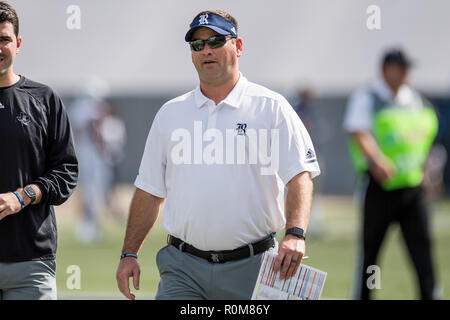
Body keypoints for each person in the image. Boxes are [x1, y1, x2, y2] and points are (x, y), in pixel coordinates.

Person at [116, 10, 320, 300]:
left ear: (237, 46)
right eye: (197, 45)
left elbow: (300, 175)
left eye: (215, 41)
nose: (206, 50)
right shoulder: (170, 114)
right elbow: (149, 191)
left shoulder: (271, 107)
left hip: (255, 267)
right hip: (183, 268)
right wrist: (129, 253)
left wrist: (295, 234)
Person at [344, 48, 439, 300]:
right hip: (379, 188)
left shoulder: (415, 100)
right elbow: (358, 131)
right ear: (387, 69)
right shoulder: (368, 98)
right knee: (371, 253)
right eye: (402, 67)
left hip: (411, 188)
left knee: (423, 252)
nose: (407, 73)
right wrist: (376, 160)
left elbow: (426, 133)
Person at [0, 2, 78, 300]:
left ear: (17, 44)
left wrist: (21, 196)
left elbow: (66, 173)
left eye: (4, 39)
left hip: (30, 262)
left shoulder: (44, 99)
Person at [69, 77, 126, 243]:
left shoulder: (77, 108)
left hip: (85, 155)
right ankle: (90, 227)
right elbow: (93, 131)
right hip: (93, 157)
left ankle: (91, 226)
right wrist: (104, 150)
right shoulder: (89, 109)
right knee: (93, 192)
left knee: (94, 193)